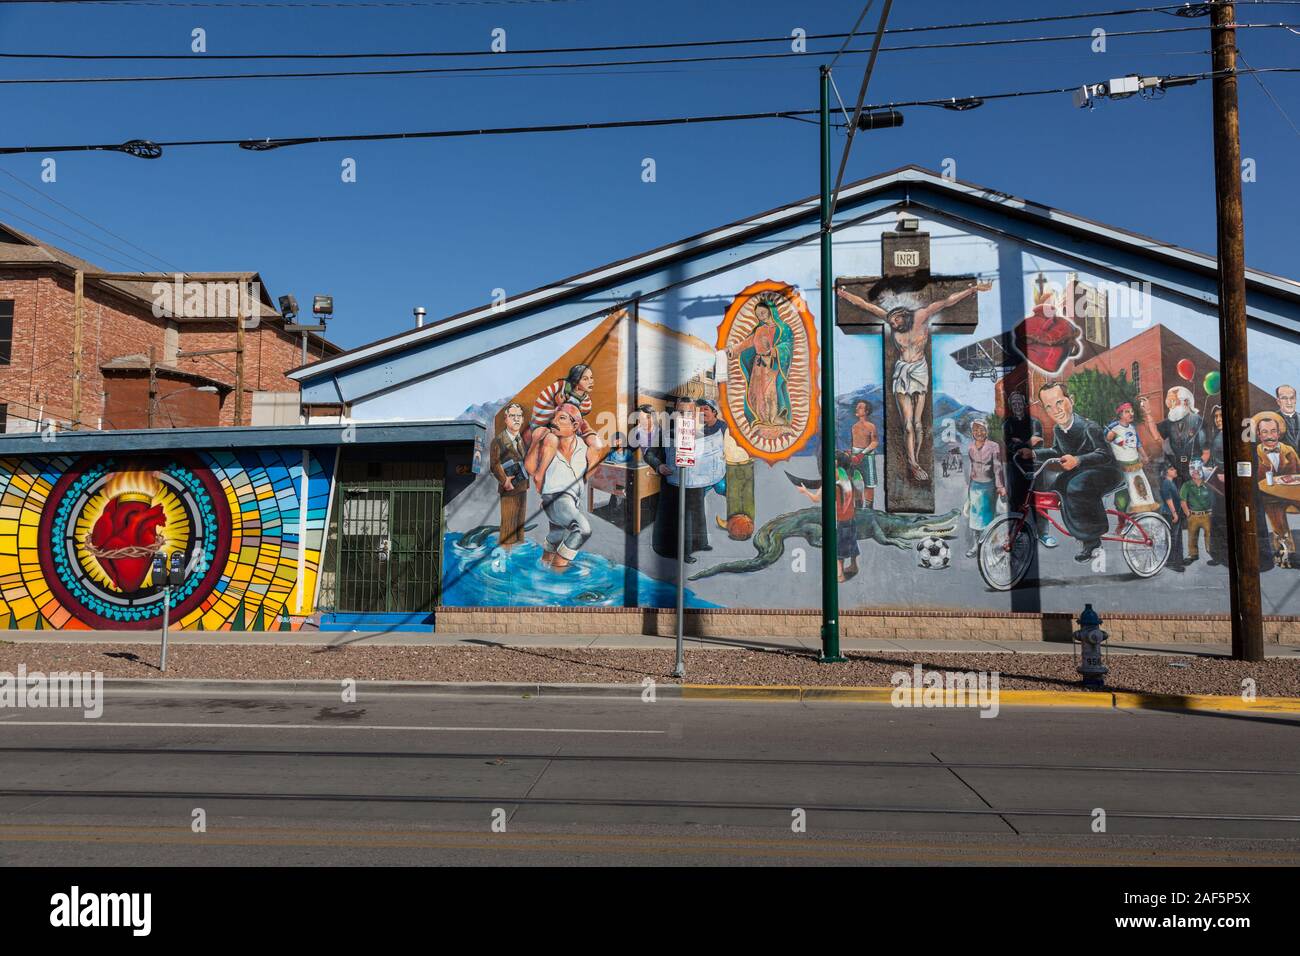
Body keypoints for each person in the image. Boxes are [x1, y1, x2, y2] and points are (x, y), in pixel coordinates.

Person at [837, 280, 992, 481]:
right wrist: (843, 295)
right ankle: (912, 462)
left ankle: (916, 458)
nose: (893, 324)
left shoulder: (922, 315)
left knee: (918, 424)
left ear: (904, 316)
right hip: (902, 371)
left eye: (895, 321)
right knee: (907, 424)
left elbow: (947, 301)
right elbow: (866, 306)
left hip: (919, 371)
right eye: (890, 323)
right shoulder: (892, 322)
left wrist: (972, 289)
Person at [1027, 381, 1123, 562]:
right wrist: (1033, 453)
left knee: (1076, 485)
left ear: (1071, 400)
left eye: (1059, 402)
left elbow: (1104, 454)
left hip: (1106, 471)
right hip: (1082, 472)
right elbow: (1057, 451)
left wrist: (1078, 460)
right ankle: (1082, 533)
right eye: (1049, 407)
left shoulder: (1089, 427)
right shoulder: (1058, 429)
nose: (1056, 410)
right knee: (1058, 486)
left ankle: (1093, 537)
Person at [524, 402, 607, 572]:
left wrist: (586, 427)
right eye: (554, 418)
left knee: (557, 536)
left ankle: (544, 568)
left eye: (561, 418)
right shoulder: (547, 445)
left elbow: (598, 447)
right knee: (582, 529)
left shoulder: (584, 448)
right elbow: (531, 470)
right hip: (554, 497)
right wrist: (535, 442)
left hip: (571, 500)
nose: (555, 421)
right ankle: (557, 572)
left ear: (575, 425)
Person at [648, 396, 710, 563]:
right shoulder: (665, 432)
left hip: (694, 483)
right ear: (675, 412)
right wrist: (659, 466)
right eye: (681, 412)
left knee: (696, 513)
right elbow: (649, 454)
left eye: (688, 412)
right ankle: (682, 552)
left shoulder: (700, 433)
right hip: (672, 485)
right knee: (679, 517)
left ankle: (700, 543)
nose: (684, 416)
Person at [726, 299, 793, 430]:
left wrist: (774, 351)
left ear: (770, 311)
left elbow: (788, 345)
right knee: (757, 392)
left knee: (770, 392)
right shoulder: (759, 329)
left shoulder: (783, 328)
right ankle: (761, 419)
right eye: (758, 314)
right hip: (758, 365)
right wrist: (732, 350)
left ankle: (773, 418)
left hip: (772, 365)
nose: (761, 316)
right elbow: (747, 343)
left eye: (763, 312)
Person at [794, 451, 860, 582]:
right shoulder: (845, 477)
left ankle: (839, 574)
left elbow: (816, 499)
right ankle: (854, 566)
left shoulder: (830, 481)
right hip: (851, 516)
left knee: (839, 547)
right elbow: (856, 494)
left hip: (840, 519)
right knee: (852, 541)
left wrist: (805, 491)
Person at [1003, 390, 1057, 547]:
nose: (1017, 406)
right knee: (1016, 501)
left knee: (1039, 500)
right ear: (1011, 406)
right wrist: (1026, 443)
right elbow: (1011, 446)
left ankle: (1044, 534)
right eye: (1014, 404)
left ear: (1025, 404)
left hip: (1036, 467)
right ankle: (1016, 532)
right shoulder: (1007, 424)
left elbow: (1038, 442)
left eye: (1020, 403)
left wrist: (1021, 443)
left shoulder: (1034, 422)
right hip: (1016, 467)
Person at [1255, 411, 1300, 564]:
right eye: (1265, 432)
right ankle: (1285, 555)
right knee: (1279, 524)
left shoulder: (1289, 451)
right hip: (1270, 498)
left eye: (1273, 431)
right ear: (1259, 434)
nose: (1270, 436)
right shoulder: (1255, 453)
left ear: (1279, 433)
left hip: (1294, 493)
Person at [489, 402, 529, 548]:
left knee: (519, 528)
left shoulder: (522, 440)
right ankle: (506, 556)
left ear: (523, 419)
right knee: (508, 528)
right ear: (506, 419)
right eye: (513, 416)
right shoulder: (498, 441)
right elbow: (494, 465)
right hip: (508, 489)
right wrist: (504, 480)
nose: (516, 419)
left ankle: (517, 559)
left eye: (519, 416)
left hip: (522, 487)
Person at [964, 419, 1005, 558]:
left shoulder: (994, 446)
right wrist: (969, 490)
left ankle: (991, 545)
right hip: (975, 487)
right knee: (975, 519)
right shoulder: (970, 447)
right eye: (975, 430)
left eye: (981, 429)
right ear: (972, 432)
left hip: (989, 487)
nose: (978, 432)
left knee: (989, 518)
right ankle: (976, 545)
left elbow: (998, 467)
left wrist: (1000, 486)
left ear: (986, 431)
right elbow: (971, 469)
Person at [529, 364, 595, 447]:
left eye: (591, 378)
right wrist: (559, 406)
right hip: (543, 422)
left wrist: (562, 405)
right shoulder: (560, 387)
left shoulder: (585, 399)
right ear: (575, 382)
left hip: (563, 422)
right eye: (585, 379)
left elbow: (583, 411)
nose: (591, 381)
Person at [1157, 385, 1208, 484]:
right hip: (1176, 470)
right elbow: (1157, 436)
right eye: (1170, 401)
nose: (1171, 405)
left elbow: (1206, 451)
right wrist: (1148, 414)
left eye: (1174, 401)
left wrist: (1197, 468)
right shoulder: (1169, 422)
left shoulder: (1197, 420)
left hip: (1193, 471)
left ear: (1185, 401)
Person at [1180, 463, 1214, 564]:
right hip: (1193, 516)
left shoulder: (1208, 484)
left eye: (1199, 468)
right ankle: (1193, 555)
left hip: (1207, 515)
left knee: (1209, 536)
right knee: (1192, 536)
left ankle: (1213, 555)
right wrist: (1188, 514)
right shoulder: (1186, 485)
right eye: (1192, 469)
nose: (1196, 471)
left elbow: (1214, 498)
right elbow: (1183, 501)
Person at [849, 399, 878, 509]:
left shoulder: (871, 426)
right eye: (857, 407)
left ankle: (869, 509)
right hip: (855, 457)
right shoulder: (854, 427)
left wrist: (862, 454)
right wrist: (852, 454)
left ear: (866, 411)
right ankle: (858, 508)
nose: (857, 409)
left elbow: (874, 442)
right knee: (856, 482)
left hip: (867, 457)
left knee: (869, 484)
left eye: (860, 407)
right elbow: (852, 442)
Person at [1159, 464, 1186, 573]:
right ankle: (1171, 563)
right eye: (1171, 469)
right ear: (1166, 472)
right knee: (1173, 538)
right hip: (1170, 513)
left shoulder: (1171, 483)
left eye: (1174, 468)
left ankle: (1178, 560)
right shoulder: (1166, 483)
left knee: (1177, 537)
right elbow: (1168, 499)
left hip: (1174, 513)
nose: (1175, 470)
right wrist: (1174, 513)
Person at [1276, 384, 1300, 452]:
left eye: (1292, 398)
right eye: (1284, 398)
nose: (1289, 402)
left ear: (1295, 400)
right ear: (1278, 401)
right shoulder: (1272, 419)